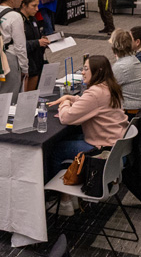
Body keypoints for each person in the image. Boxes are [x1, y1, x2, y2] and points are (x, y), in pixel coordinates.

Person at [45, 55, 128, 184]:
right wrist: (72, 98)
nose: (82, 72)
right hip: (116, 147)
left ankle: (61, 196)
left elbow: (66, 118)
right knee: (69, 137)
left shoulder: (95, 93)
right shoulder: (110, 87)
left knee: (54, 149)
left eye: (86, 69)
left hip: (103, 150)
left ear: (97, 71)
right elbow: (94, 105)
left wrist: (65, 102)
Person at [110, 29, 141, 115]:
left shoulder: (121, 66)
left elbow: (106, 88)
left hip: (130, 112)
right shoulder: (133, 59)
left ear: (114, 47)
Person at [20, 0, 50, 91]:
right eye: (34, 6)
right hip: (26, 64)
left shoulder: (33, 19)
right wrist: (37, 43)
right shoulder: (18, 21)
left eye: (37, 6)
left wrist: (43, 39)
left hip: (37, 61)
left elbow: (36, 35)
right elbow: (18, 45)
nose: (37, 9)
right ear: (24, 5)